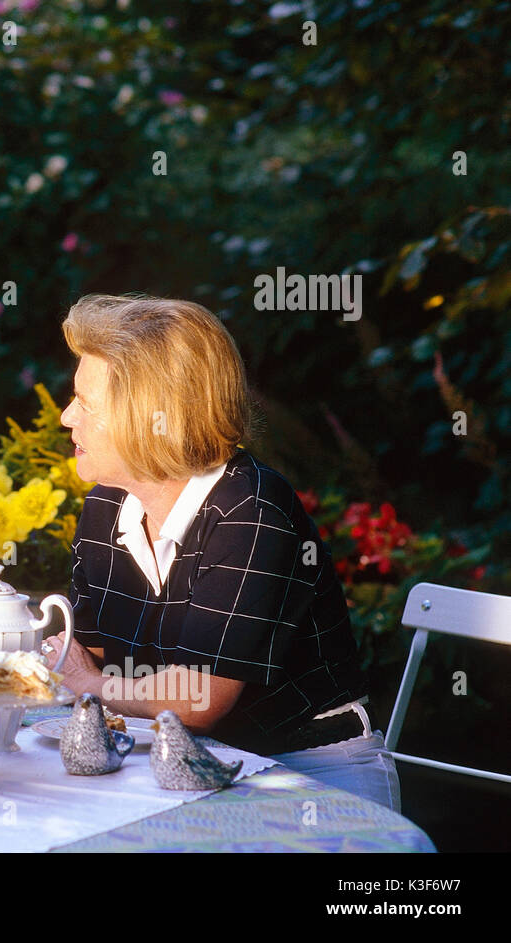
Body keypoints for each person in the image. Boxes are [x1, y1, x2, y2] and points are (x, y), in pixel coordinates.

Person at [42, 293, 400, 811]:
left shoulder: (251, 510)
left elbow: (198, 699)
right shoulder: (108, 505)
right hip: (178, 765)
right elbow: (83, 650)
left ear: (150, 416)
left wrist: (90, 684)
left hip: (305, 775)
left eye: (85, 403)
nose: (65, 417)